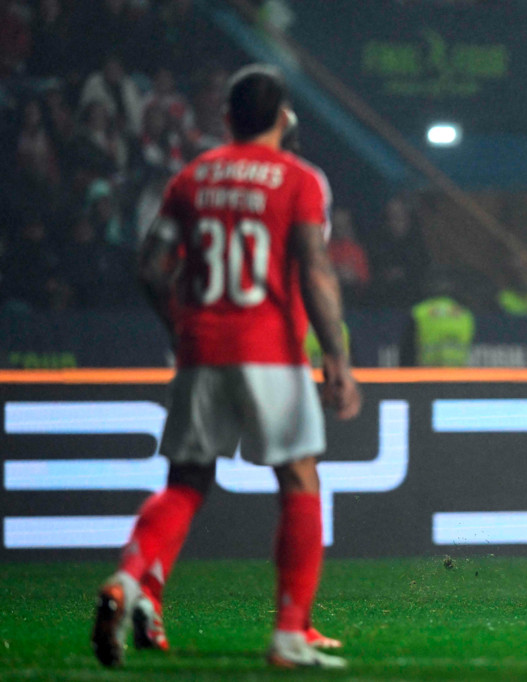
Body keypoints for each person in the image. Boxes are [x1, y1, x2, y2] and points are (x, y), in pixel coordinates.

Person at [90, 64, 361, 670]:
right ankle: (290, 633)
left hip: (200, 352)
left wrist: (182, 330)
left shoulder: (191, 177)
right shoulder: (299, 179)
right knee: (298, 480)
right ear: (281, 116)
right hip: (271, 350)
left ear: (227, 117)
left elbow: (151, 266)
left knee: (185, 483)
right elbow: (316, 270)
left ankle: (129, 578)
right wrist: (337, 358)